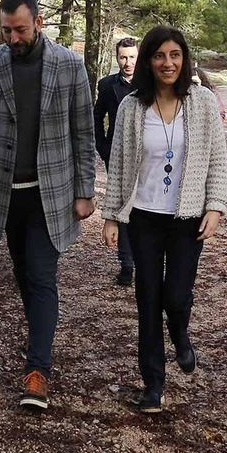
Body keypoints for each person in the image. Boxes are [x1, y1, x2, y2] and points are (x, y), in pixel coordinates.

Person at [0, 0, 96, 411]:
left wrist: (84, 190)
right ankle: (39, 330)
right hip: (3, 192)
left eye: (19, 30)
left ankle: (38, 370)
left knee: (39, 276)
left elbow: (83, 133)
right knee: (22, 271)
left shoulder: (70, 66)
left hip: (49, 194)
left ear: (38, 23)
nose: (13, 39)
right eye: (6, 31)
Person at [101, 26, 227, 413]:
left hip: (187, 216)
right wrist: (111, 216)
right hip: (144, 216)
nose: (167, 63)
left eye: (174, 55)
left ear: (184, 58)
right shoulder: (131, 107)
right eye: (159, 56)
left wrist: (215, 206)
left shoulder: (203, 102)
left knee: (176, 296)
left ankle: (181, 333)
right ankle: (152, 383)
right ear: (148, 61)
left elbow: (218, 158)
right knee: (147, 297)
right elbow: (119, 164)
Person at [93, 36, 139, 286]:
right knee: (122, 207)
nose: (127, 62)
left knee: (142, 206)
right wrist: (103, 147)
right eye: (123, 57)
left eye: (132, 57)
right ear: (117, 57)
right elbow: (97, 116)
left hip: (145, 157)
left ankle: (144, 259)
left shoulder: (150, 83)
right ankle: (126, 263)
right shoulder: (107, 85)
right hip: (116, 155)